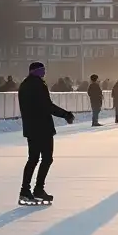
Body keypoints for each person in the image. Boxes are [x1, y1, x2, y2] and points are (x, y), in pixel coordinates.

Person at [18, 61, 75, 205]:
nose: (44, 73)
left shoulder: (24, 85)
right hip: (42, 127)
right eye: (42, 70)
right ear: (36, 71)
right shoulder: (38, 85)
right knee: (46, 158)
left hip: (31, 128)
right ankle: (37, 189)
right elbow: (47, 105)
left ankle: (26, 190)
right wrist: (66, 114)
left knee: (33, 159)